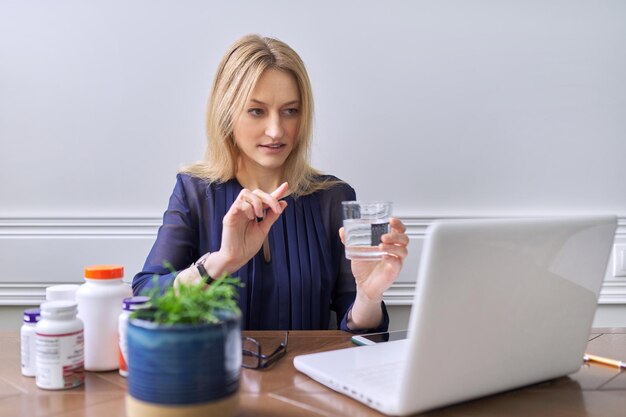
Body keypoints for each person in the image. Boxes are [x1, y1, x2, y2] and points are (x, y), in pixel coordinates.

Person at [132, 34, 409, 332]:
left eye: (290, 111)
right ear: (226, 113)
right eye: (256, 111)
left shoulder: (334, 197)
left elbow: (363, 338)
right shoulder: (195, 192)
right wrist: (221, 262)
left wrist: (368, 296)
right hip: (215, 376)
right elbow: (146, 296)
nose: (276, 131)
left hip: (305, 377)